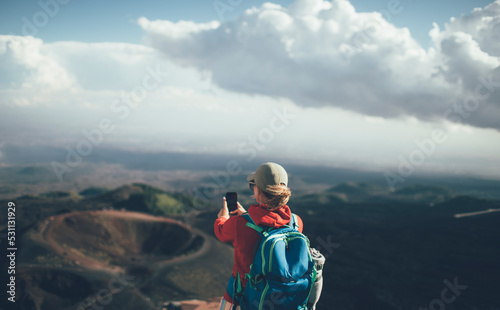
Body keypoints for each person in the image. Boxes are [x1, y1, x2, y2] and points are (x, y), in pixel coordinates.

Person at [214, 162, 318, 310]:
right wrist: (245, 216)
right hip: (285, 300)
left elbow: (221, 232)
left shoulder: (239, 224)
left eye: (253, 185)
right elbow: (270, 225)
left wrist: (223, 218)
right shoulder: (296, 222)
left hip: (242, 297)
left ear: (259, 191)